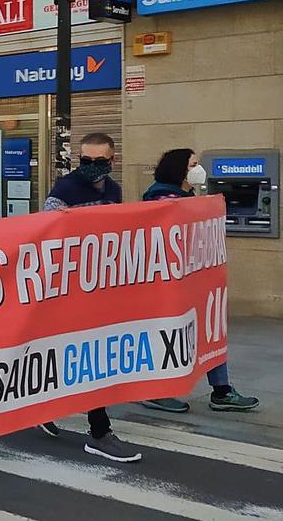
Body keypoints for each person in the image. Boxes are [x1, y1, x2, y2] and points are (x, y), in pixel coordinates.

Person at [38, 133, 140, 463]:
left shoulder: (113, 190)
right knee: (89, 355)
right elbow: (44, 232)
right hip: (69, 288)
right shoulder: (65, 190)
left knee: (87, 353)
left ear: (113, 161)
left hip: (99, 286)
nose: (91, 168)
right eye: (85, 161)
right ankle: (99, 431)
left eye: (98, 162)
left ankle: (43, 404)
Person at [138, 149, 260, 414]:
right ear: (179, 169)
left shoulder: (187, 197)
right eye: (193, 164)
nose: (198, 168)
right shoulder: (161, 197)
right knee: (170, 336)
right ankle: (156, 391)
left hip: (194, 281)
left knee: (211, 332)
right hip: (168, 286)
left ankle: (222, 390)